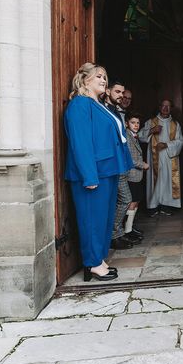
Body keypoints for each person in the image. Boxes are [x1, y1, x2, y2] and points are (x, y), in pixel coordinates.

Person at [64, 63, 133, 282]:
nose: (104, 80)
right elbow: (81, 143)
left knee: (103, 218)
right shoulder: (80, 105)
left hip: (107, 170)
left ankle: (99, 258)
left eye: (105, 76)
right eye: (98, 77)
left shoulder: (99, 105)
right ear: (85, 81)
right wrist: (89, 175)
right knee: (92, 219)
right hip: (93, 173)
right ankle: (92, 263)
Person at [104, 79, 137, 249]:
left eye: (123, 94)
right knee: (123, 200)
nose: (122, 96)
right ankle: (114, 234)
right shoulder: (104, 110)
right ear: (108, 91)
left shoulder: (117, 112)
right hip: (112, 164)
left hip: (121, 163)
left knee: (124, 200)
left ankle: (119, 233)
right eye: (118, 92)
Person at [138, 99, 183, 215]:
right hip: (154, 157)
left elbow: (180, 141)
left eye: (168, 106)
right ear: (159, 107)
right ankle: (153, 205)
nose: (165, 108)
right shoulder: (151, 122)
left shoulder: (175, 124)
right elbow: (139, 136)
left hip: (169, 157)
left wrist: (166, 145)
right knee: (156, 180)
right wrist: (152, 130)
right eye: (163, 106)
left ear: (171, 108)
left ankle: (166, 205)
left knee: (167, 180)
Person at [124, 112, 149, 236]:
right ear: (126, 123)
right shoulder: (127, 136)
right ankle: (127, 230)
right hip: (131, 174)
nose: (136, 125)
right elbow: (128, 157)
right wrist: (142, 164)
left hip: (137, 175)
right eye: (133, 122)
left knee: (136, 201)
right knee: (132, 202)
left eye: (138, 123)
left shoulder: (134, 136)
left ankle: (130, 227)